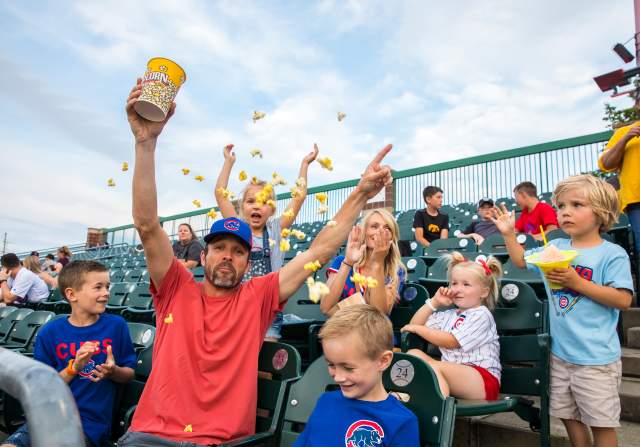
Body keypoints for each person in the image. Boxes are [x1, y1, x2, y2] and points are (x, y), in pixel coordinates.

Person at [118, 77, 393, 447]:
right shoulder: (174, 288)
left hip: (220, 442)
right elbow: (148, 226)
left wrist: (360, 194)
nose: (228, 257)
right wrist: (145, 143)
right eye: (219, 248)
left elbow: (319, 252)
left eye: (238, 251)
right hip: (148, 437)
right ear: (204, 254)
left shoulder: (259, 296)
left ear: (249, 261)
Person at [491, 174, 633, 447]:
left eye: (577, 205)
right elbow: (520, 261)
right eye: (561, 206)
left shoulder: (611, 254)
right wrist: (508, 233)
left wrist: (577, 283)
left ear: (601, 212)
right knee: (569, 417)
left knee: (601, 423)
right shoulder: (554, 247)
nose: (565, 212)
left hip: (596, 359)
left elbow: (623, 299)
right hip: (560, 355)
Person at [0, 261, 136, 447]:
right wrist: (75, 367)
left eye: (107, 286)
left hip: (90, 424)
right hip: (49, 414)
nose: (106, 292)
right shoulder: (50, 332)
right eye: (98, 287)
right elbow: (44, 386)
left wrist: (114, 372)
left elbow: (129, 374)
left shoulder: (116, 326)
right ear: (71, 294)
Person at [214, 142, 318, 341]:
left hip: (267, 310)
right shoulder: (237, 228)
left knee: (265, 360)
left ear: (272, 210)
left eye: (264, 202)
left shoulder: (276, 229)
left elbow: (299, 196)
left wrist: (305, 164)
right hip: (236, 306)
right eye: (251, 201)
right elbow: (220, 194)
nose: (257, 206)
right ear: (242, 207)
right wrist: (229, 162)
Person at [293, 305, 420, 446]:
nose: (338, 377)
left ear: (383, 361)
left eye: (348, 368)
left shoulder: (401, 422)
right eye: (331, 365)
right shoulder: (326, 402)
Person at [401, 252, 502, 400]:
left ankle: (435, 411)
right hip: (451, 374)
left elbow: (452, 341)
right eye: (454, 283)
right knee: (413, 355)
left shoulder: (481, 314)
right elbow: (413, 325)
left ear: (484, 292)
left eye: (466, 284)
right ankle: (407, 398)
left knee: (432, 369)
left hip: (483, 381)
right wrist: (434, 302)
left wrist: (419, 329)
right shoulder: (449, 315)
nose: (458, 289)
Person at [322, 209, 406, 316]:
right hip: (344, 329)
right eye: (374, 226)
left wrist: (377, 263)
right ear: (364, 231)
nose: (380, 231)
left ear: (392, 237)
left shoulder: (396, 270)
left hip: (375, 331)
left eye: (387, 228)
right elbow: (325, 307)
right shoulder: (341, 261)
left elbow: (379, 315)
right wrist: (348, 262)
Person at [598, 121, 640, 257]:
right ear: (637, 104)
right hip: (637, 201)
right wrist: (625, 139)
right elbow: (606, 163)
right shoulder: (624, 132)